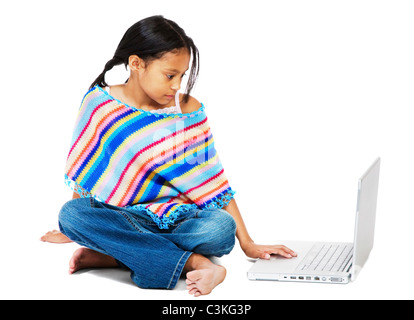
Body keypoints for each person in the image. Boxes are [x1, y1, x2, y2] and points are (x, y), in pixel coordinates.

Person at [41, 15, 297, 297]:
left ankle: (115, 255)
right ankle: (194, 262)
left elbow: (212, 181)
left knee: (220, 230)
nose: (177, 86)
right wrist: (75, 229)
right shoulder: (100, 104)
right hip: (123, 215)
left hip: (178, 218)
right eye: (169, 75)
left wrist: (248, 243)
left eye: (182, 76)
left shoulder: (186, 111)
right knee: (72, 215)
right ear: (137, 63)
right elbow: (88, 169)